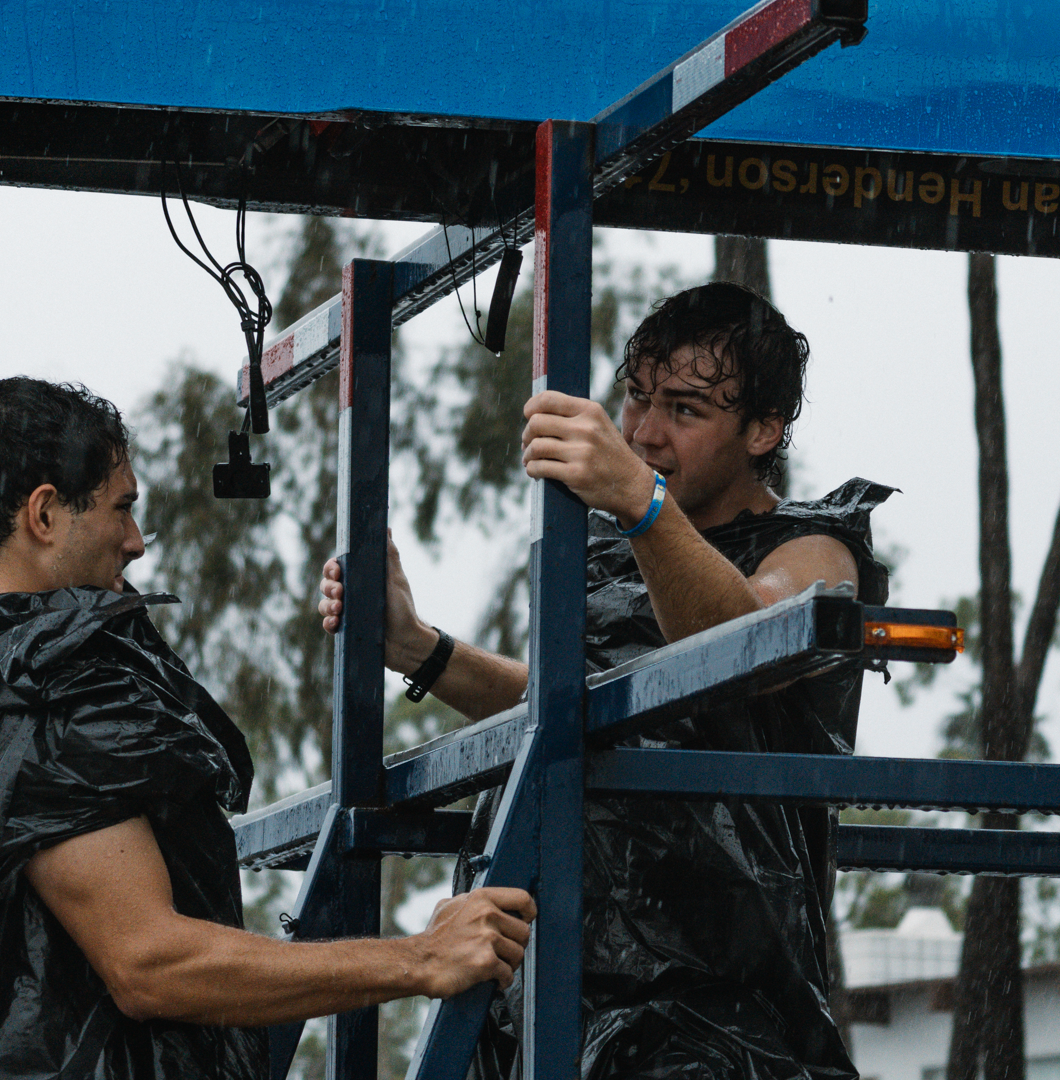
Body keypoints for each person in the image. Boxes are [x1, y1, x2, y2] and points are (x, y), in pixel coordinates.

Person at [0, 102, 536, 1080]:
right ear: (45, 514)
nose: (138, 542)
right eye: (120, 511)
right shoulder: (47, 686)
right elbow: (147, 963)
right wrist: (418, 958)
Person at [318, 281, 892, 1080]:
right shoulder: (608, 545)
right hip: (546, 962)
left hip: (716, 1003)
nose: (645, 434)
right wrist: (419, 648)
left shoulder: (814, 551)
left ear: (764, 430)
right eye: (635, 398)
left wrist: (636, 499)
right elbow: (562, 705)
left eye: (684, 411)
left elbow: (740, 648)